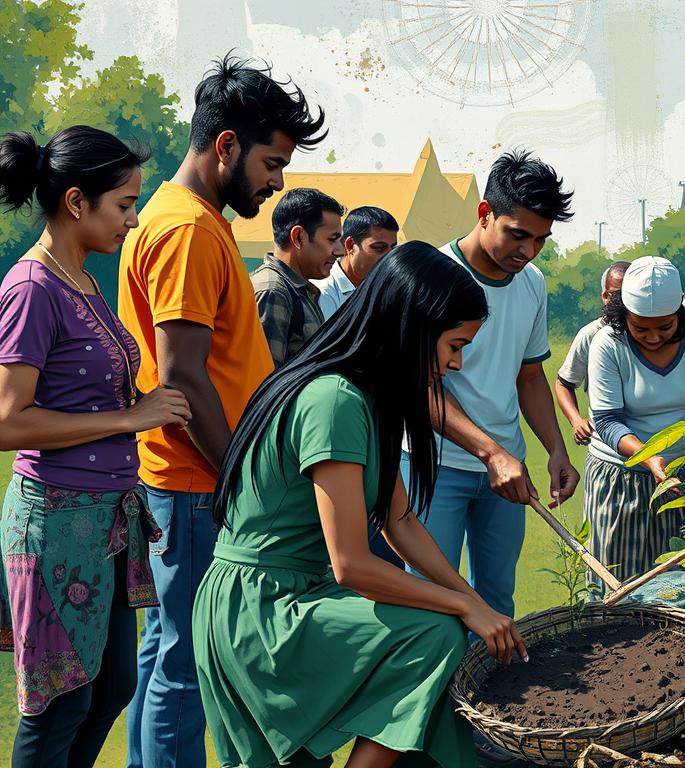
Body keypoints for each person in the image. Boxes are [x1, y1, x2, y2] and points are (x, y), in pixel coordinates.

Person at [194, 241, 525, 768]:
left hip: (300, 596)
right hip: (263, 610)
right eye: (454, 345)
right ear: (412, 328)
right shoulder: (334, 401)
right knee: (434, 633)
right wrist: (463, 607)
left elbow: (400, 522)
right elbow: (352, 564)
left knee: (446, 629)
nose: (456, 364)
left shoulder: (372, 396)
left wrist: (475, 606)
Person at [118, 54, 325, 768]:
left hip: (187, 483)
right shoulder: (188, 231)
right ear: (227, 146)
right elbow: (183, 380)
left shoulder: (183, 219)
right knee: (190, 665)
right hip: (198, 485)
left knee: (165, 656)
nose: (277, 183)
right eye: (271, 163)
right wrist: (244, 479)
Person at [0, 128, 191, 768]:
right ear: (77, 202)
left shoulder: (80, 279)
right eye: (125, 205)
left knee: (112, 685)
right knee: (60, 704)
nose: (134, 221)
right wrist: (129, 417)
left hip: (102, 520)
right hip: (56, 521)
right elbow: (7, 422)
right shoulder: (33, 288)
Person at [412, 150, 579, 619]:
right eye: (518, 235)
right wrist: (490, 453)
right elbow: (418, 385)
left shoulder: (532, 283)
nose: (527, 251)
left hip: (508, 469)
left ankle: (490, 695)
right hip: (433, 462)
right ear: (484, 213)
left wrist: (556, 450)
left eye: (541, 240)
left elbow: (529, 375)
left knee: (497, 600)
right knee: (433, 601)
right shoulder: (430, 276)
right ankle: (439, 694)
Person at [586, 257, 685, 585]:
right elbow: (608, 422)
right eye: (641, 328)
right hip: (624, 480)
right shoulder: (607, 344)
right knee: (622, 581)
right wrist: (650, 459)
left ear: (679, 313)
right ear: (624, 315)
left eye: (664, 327)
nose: (653, 338)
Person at [253, 187, 343, 367]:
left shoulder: (297, 290)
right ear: (299, 237)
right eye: (332, 240)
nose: (340, 251)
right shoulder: (273, 291)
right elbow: (264, 383)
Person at [554, 260, 629, 445]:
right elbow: (564, 383)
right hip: (607, 444)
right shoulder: (591, 334)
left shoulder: (653, 330)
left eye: (628, 295)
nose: (622, 302)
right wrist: (576, 420)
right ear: (605, 296)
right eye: (615, 295)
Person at [313, 205, 399, 319]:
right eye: (379, 248)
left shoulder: (383, 290)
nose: (389, 257)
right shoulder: (323, 294)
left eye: (392, 249)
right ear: (350, 246)